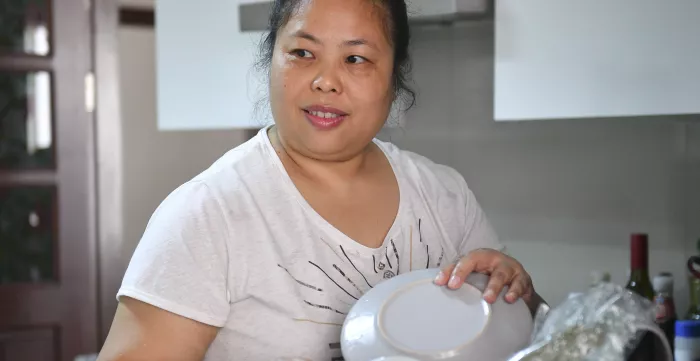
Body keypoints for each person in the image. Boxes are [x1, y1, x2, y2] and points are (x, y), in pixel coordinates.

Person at [97, 0, 545, 360]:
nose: (326, 81)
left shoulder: (445, 194)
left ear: (394, 77)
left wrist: (518, 294)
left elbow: (516, 338)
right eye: (302, 53)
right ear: (270, 59)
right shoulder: (208, 213)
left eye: (356, 58)